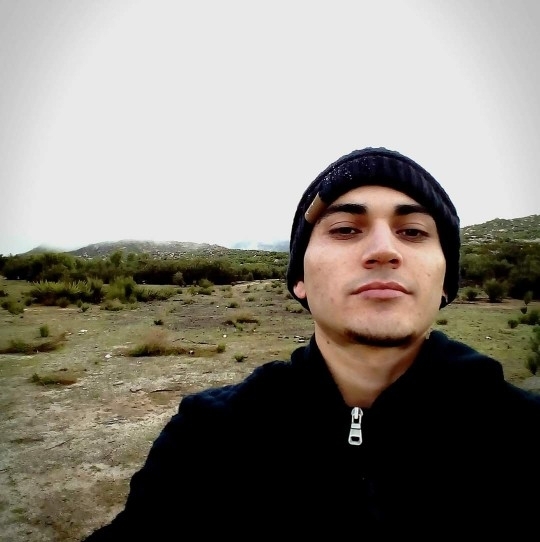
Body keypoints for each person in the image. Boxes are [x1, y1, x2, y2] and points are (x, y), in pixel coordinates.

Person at [83, 147, 540, 540]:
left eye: (413, 231)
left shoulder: (523, 437)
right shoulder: (207, 439)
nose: (384, 249)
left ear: (446, 282)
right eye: (345, 229)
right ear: (299, 279)